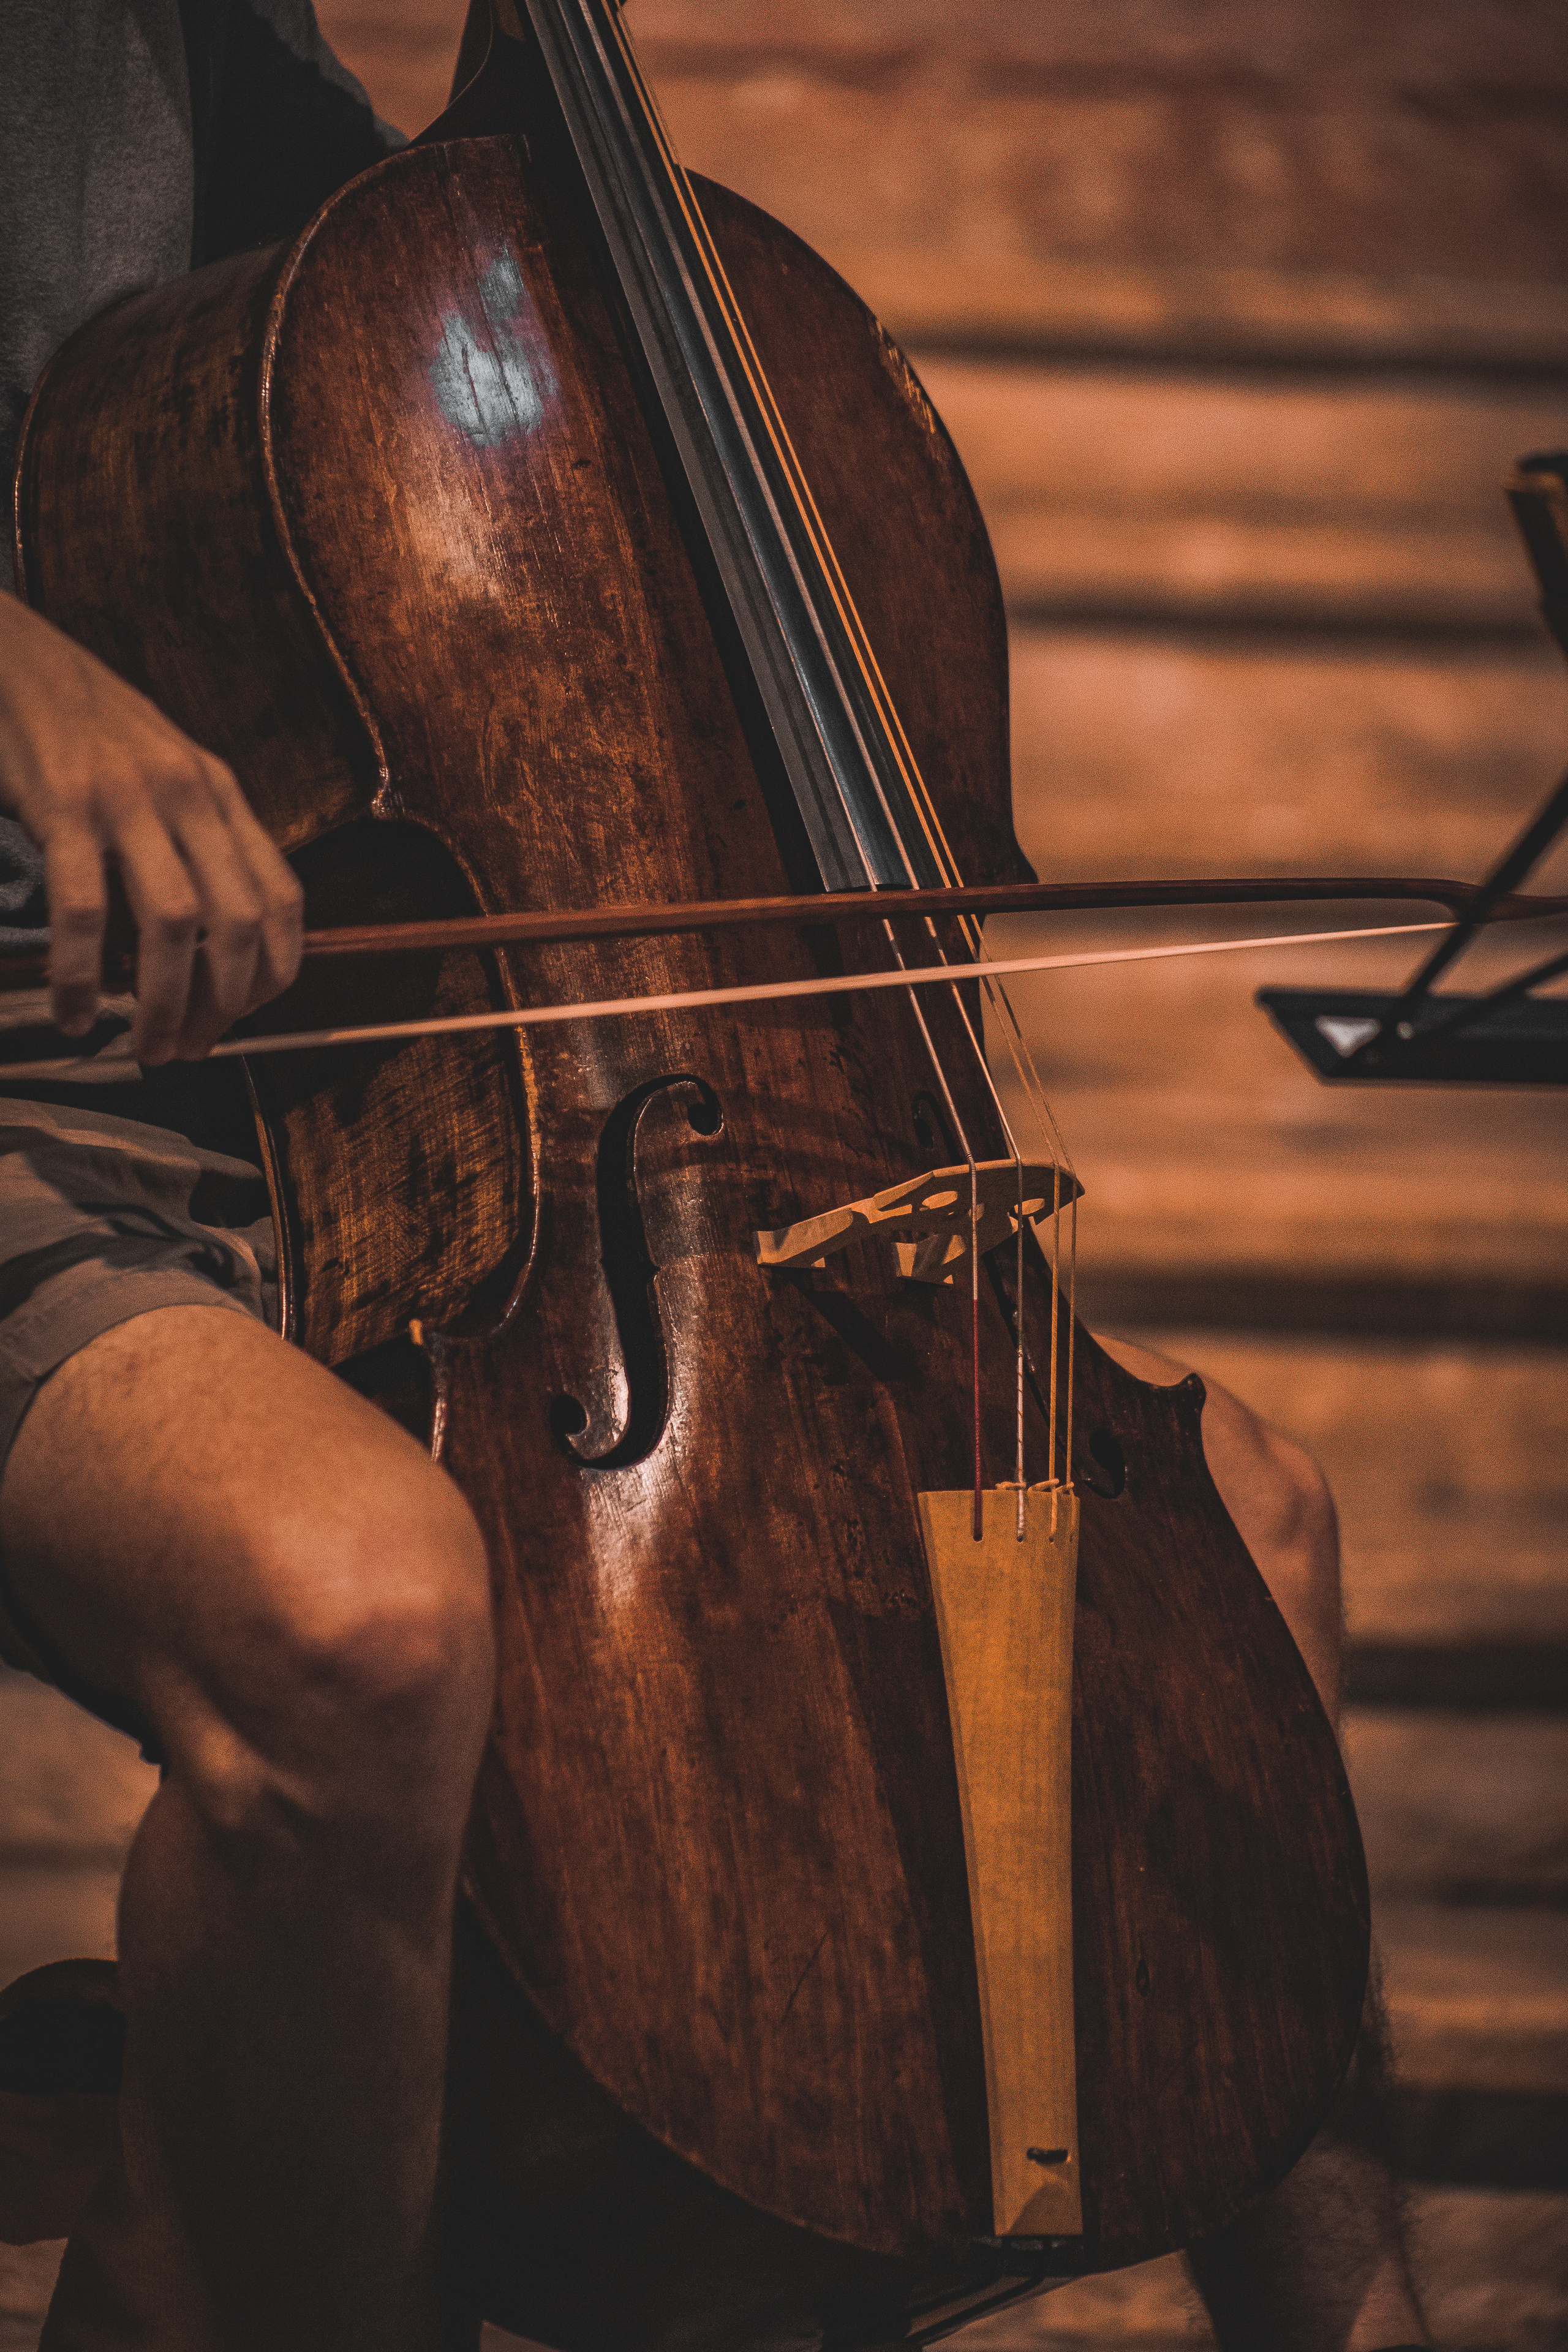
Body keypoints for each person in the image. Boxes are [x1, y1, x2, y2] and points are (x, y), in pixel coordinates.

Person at [0, 4, 1428, 2346]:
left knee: (1225, 1556)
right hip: (43, 1101)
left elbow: (407, 322)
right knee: (363, 1618)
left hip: (339, 1094)